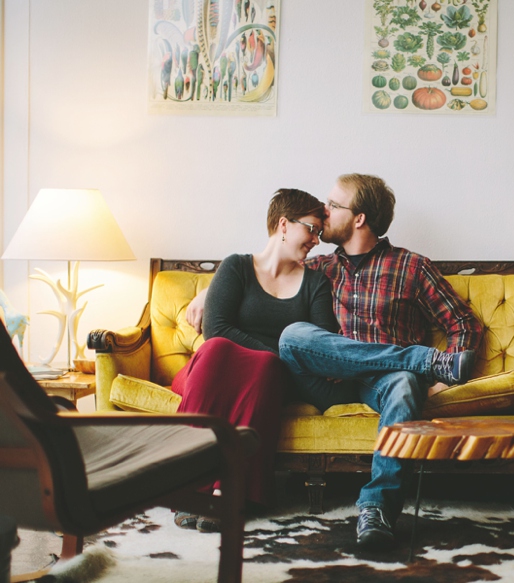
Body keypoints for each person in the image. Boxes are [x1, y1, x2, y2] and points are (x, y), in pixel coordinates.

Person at [187, 173, 484, 550]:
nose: (323, 214)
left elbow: (463, 323)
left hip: (383, 381)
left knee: (406, 381)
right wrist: (206, 290)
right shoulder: (319, 267)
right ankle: (425, 360)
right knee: (294, 334)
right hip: (325, 380)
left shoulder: (412, 267)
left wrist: (446, 381)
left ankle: (377, 508)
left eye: (333, 206)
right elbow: (262, 270)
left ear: (359, 218)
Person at [171, 188, 337, 532]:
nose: (317, 240)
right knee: (221, 350)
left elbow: (319, 346)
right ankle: (189, 485)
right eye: (312, 229)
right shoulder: (237, 267)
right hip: (215, 370)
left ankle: (227, 492)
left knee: (264, 367)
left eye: (321, 233)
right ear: (284, 225)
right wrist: (277, 353)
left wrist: (274, 361)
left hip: (271, 379)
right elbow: (216, 330)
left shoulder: (316, 284)